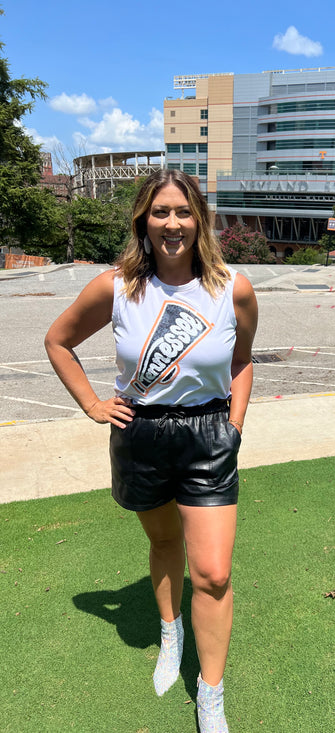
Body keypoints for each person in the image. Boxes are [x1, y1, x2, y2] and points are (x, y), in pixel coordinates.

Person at [45, 169, 258, 733]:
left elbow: (241, 361)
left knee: (211, 573)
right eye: (160, 212)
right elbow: (58, 340)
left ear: (201, 221)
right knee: (164, 542)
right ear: (143, 219)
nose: (172, 224)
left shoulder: (231, 287)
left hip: (208, 438)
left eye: (183, 212)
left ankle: (210, 693)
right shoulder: (115, 287)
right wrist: (93, 404)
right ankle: (171, 631)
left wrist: (233, 426)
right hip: (141, 436)